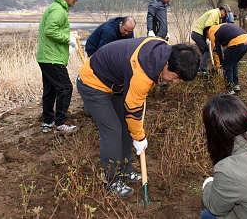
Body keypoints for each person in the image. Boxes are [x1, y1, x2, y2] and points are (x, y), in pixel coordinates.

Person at [76, 37, 199, 197]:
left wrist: (135, 133)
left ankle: (126, 171)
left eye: (179, 79)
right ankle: (111, 182)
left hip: (116, 83)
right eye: (175, 76)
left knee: (127, 128)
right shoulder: (143, 74)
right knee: (113, 132)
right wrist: (139, 138)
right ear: (167, 64)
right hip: (92, 83)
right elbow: (133, 110)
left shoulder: (165, 51)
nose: (175, 81)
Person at [36, 0, 85, 134]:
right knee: (65, 88)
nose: (75, 0)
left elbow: (52, 30)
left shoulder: (56, 8)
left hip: (46, 56)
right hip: (52, 57)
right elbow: (50, 31)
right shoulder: (58, 10)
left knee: (50, 90)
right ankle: (61, 123)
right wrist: (67, 39)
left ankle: (48, 121)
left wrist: (68, 36)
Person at [206, 23, 247, 95]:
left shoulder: (212, 32)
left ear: (207, 33)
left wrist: (219, 66)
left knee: (227, 66)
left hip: (236, 43)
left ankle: (229, 89)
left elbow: (217, 51)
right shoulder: (221, 27)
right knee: (233, 63)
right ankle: (236, 85)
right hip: (246, 42)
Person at [191, 7, 227, 73]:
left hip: (198, 33)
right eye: (226, 15)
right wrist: (208, 38)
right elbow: (208, 25)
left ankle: (202, 68)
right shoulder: (215, 13)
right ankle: (203, 69)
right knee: (207, 51)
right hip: (198, 33)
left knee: (204, 52)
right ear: (223, 11)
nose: (224, 17)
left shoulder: (216, 14)